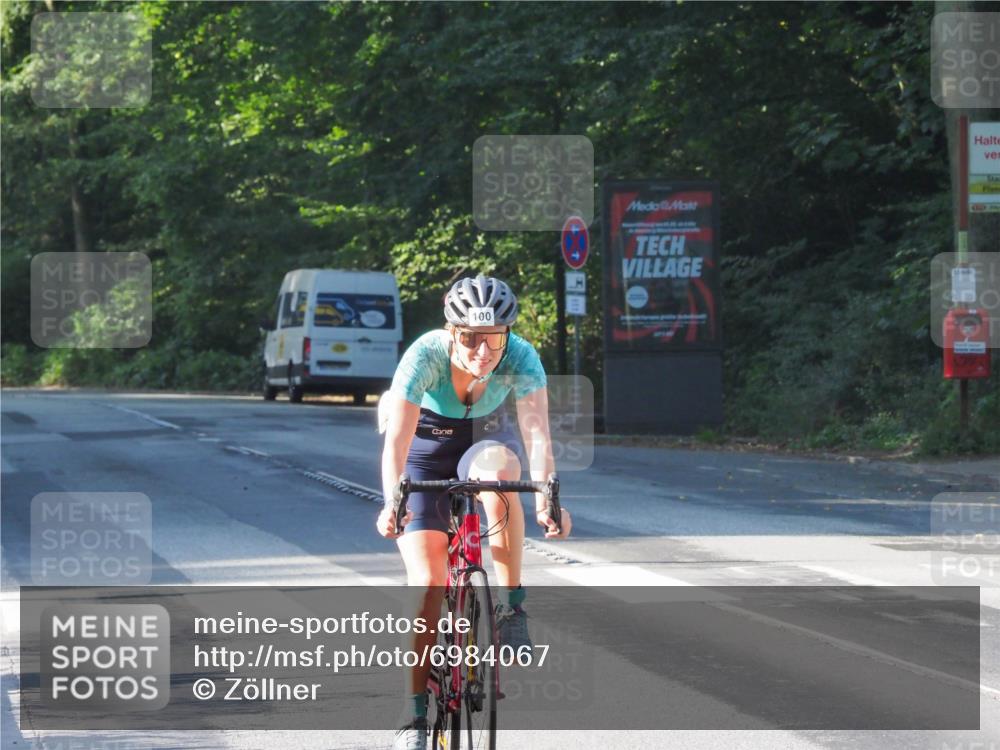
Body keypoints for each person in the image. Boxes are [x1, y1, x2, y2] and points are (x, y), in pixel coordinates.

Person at [376, 274, 572, 750]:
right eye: (469, 338)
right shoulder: (424, 354)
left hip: (479, 445)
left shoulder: (523, 358)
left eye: (494, 339)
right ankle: (415, 712)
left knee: (503, 468)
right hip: (424, 452)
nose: (482, 352)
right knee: (427, 583)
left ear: (508, 335)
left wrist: (548, 498)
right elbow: (397, 442)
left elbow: (537, 435)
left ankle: (511, 606)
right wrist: (392, 501)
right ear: (451, 331)